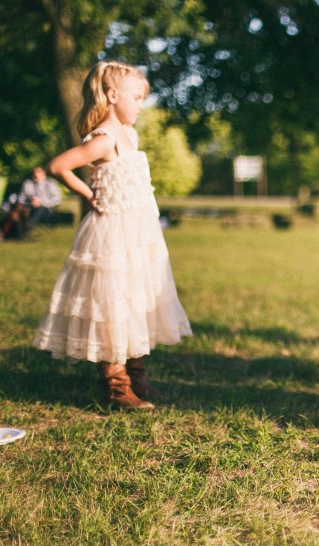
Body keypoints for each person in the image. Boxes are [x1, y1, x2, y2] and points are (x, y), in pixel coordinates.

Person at [33, 61, 192, 410]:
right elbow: (59, 166)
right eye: (136, 98)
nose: (140, 104)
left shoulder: (129, 135)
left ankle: (137, 376)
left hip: (138, 232)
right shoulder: (103, 140)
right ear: (112, 95)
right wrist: (91, 196)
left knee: (136, 300)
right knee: (113, 303)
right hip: (111, 235)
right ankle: (116, 387)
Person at [18, 166, 63, 232]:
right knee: (20, 210)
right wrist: (30, 202)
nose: (36, 174)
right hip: (29, 207)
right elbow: (21, 198)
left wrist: (41, 202)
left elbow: (57, 200)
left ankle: (28, 227)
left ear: (44, 174)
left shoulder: (51, 184)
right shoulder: (28, 184)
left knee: (40, 208)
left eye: (38, 172)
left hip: (46, 209)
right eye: (34, 173)